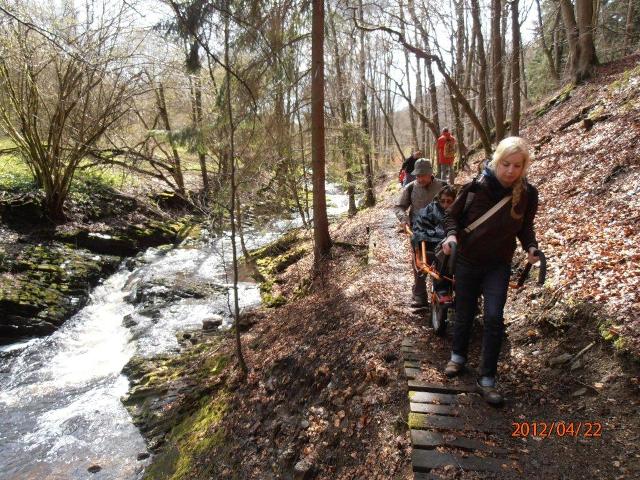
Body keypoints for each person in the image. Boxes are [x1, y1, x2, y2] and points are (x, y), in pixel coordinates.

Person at [441, 136, 540, 406]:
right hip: (467, 261)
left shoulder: (528, 195)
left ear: (524, 167)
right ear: (497, 161)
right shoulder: (476, 188)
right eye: (506, 164)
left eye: (517, 166)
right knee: (465, 310)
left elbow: (525, 227)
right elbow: (451, 216)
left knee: (494, 319)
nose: (511, 171)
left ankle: (487, 379)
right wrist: (451, 237)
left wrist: (530, 247)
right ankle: (458, 357)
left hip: (498, 265)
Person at [394, 158, 446, 307]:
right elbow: (399, 207)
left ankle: (442, 292)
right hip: (419, 231)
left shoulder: (443, 186)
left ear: (431, 173)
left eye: (423, 175)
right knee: (419, 262)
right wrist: (404, 220)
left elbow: (454, 204)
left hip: (441, 230)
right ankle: (419, 296)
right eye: (417, 175)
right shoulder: (410, 188)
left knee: (443, 262)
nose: (420, 178)